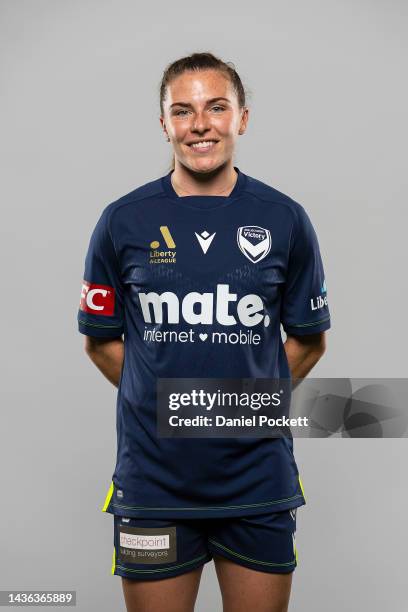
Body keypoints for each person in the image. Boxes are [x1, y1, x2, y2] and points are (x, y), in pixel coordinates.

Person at [77, 52, 330, 612]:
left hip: (257, 483)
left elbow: (310, 339)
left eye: (216, 108)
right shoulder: (123, 221)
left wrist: (236, 406)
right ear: (164, 123)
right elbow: (101, 340)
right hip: (153, 487)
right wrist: (168, 403)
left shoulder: (284, 219)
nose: (199, 125)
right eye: (182, 111)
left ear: (242, 118)